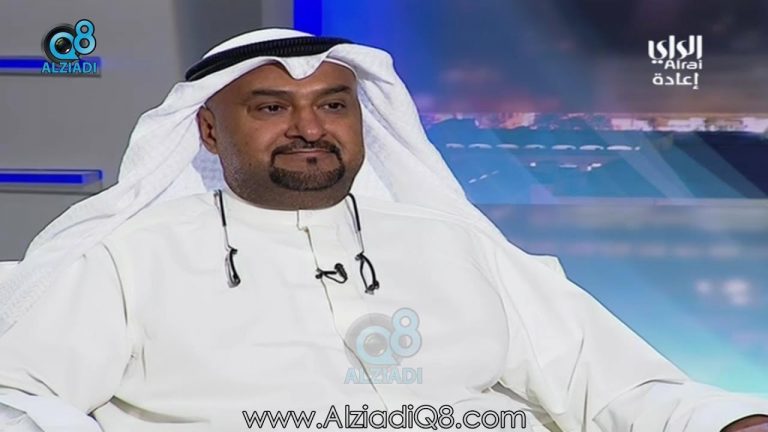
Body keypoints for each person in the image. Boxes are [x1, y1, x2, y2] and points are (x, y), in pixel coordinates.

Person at [0, 28, 766, 432]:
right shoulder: (128, 257)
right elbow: (18, 397)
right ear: (207, 131)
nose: (309, 128)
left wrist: (727, 420)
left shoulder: (451, 244)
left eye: (333, 105)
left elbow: (614, 385)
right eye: (271, 108)